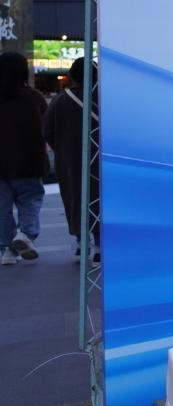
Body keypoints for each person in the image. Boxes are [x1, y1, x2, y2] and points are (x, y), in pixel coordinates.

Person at [44, 57, 99, 262]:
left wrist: (62, 149)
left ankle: (81, 243)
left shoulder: (61, 100)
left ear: (72, 76)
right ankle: (100, 246)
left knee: (75, 199)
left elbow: (47, 130)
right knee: (100, 198)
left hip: (69, 161)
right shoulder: (105, 99)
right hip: (100, 159)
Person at [0, 52, 47, 264]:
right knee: (31, 200)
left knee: (2, 209)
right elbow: (46, 126)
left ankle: (7, 251)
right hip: (30, 163)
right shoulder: (34, 98)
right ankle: (25, 234)